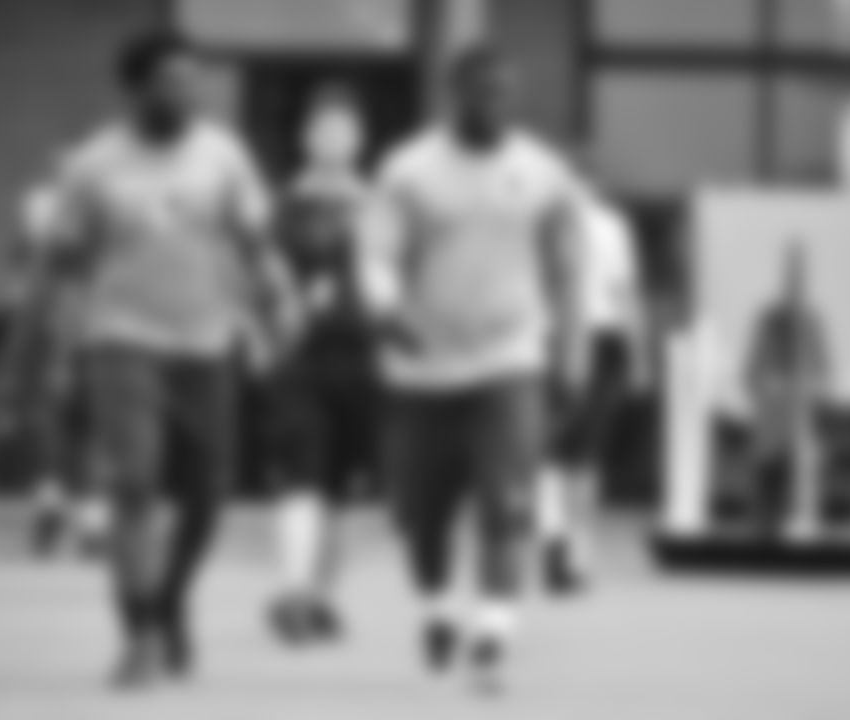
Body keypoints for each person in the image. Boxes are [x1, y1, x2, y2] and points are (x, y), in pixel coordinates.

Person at [39, 30, 287, 688]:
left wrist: (276, 301)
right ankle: (140, 633)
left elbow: (255, 241)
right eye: (171, 82)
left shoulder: (224, 155)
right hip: (121, 339)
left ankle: (170, 597)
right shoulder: (93, 165)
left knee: (208, 498)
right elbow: (64, 265)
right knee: (134, 485)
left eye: (192, 81)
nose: (186, 93)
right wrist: (62, 348)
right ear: (136, 89)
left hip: (207, 341)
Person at [358, 48, 586, 692]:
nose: (494, 104)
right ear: (452, 93)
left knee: (507, 503)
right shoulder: (407, 170)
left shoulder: (543, 173)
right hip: (422, 367)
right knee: (423, 517)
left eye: (505, 92)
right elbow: (376, 254)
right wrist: (384, 308)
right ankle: (436, 608)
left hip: (509, 360)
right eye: (481, 91)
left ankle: (490, 637)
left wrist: (573, 352)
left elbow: (569, 270)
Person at [264, 83, 377, 645]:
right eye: (324, 128)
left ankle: (325, 597)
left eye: (345, 128)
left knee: (344, 485)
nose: (335, 138)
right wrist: (281, 306)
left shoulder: (380, 201)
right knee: (299, 472)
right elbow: (259, 267)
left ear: (360, 139)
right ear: (305, 137)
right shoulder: (283, 204)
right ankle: (292, 593)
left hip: (364, 356)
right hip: (300, 355)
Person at [536, 183, 641, 594]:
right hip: (599, 335)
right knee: (585, 452)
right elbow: (624, 291)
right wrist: (638, 354)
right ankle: (578, 552)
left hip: (552, 336)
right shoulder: (611, 226)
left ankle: (553, 534)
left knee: (548, 448)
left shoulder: (543, 222)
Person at [15, 180, 107, 559]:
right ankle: (81, 519)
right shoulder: (70, 266)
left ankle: (72, 516)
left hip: (75, 354)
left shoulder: (58, 268)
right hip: (80, 354)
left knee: (67, 439)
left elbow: (36, 321)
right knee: (74, 441)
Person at [745, 242, 830, 542]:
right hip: (772, 426)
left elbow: (823, 374)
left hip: (800, 427)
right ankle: (764, 530)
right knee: (769, 476)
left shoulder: (812, 322)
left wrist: (808, 387)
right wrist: (771, 385)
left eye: (800, 273)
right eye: (791, 272)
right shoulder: (768, 320)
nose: (795, 280)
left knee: (802, 484)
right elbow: (751, 372)